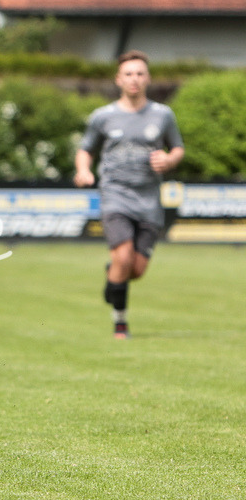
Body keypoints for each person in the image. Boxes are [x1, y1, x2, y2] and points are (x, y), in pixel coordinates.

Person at [74, 50, 184, 339]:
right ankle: (120, 323)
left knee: (136, 270)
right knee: (123, 257)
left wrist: (169, 160)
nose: (134, 79)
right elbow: (85, 150)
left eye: (139, 74)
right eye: (128, 74)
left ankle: (113, 276)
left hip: (149, 199)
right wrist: (83, 170)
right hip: (115, 194)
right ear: (118, 79)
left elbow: (178, 148)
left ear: (148, 78)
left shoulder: (163, 115)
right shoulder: (103, 116)